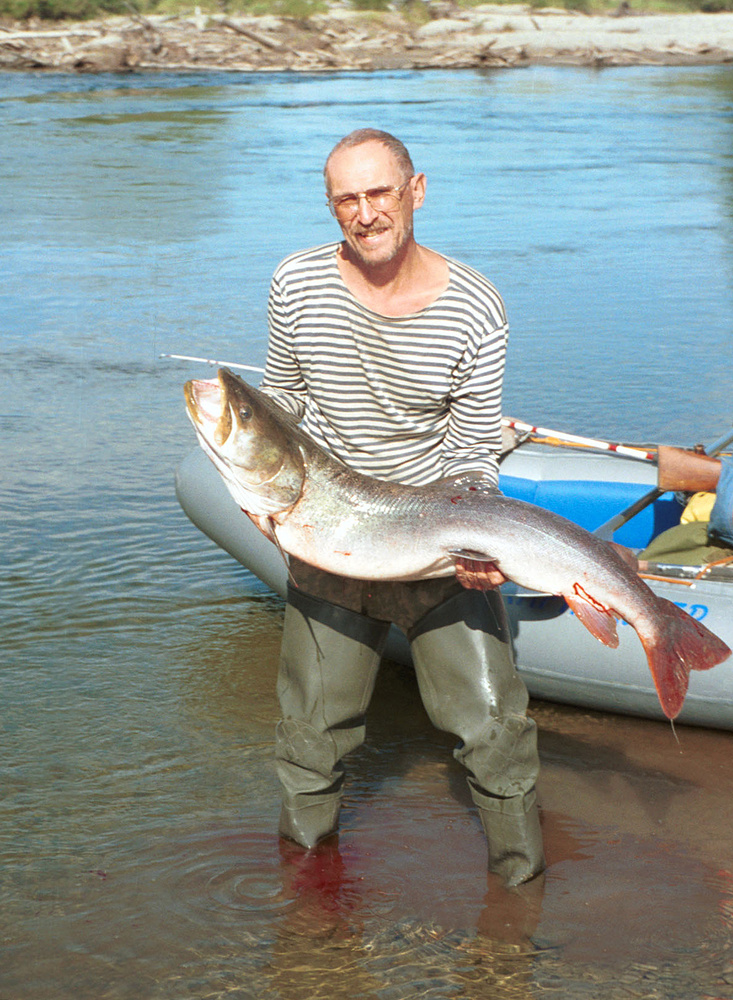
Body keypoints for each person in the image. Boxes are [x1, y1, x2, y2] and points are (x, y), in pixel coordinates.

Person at [259, 128, 544, 887]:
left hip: (436, 540)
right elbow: (280, 405)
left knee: (495, 732)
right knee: (311, 735)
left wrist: (476, 542)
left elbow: (475, 453)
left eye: (379, 192)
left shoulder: (477, 308)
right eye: (345, 199)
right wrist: (260, 496)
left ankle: (519, 899)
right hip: (331, 533)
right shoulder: (295, 283)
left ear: (416, 191)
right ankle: (308, 897)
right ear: (331, 207)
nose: (365, 213)